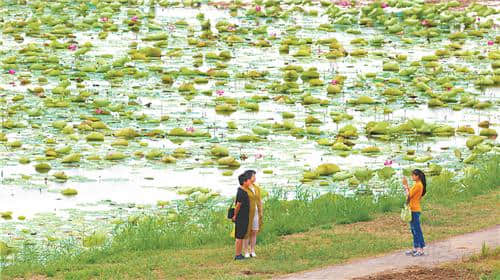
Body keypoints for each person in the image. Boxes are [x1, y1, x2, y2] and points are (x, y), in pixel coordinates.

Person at [402, 169, 427, 257]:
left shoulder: (418, 185)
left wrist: (405, 186)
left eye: (413, 175)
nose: (412, 177)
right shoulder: (417, 185)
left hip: (414, 209)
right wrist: (407, 186)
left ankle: (421, 249)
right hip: (412, 209)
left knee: (417, 230)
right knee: (413, 230)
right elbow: (410, 194)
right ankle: (416, 248)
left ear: (418, 176)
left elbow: (408, 196)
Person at [232, 173, 253, 260]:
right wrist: (235, 215)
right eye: (248, 180)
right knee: (239, 236)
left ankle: (239, 253)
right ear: (244, 182)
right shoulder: (241, 192)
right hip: (241, 217)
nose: (250, 182)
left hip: (244, 216)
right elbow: (238, 205)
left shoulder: (243, 191)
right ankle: (238, 255)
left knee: (241, 235)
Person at [242, 170, 263, 258]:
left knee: (254, 231)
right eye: (253, 176)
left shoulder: (256, 188)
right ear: (249, 177)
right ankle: (246, 251)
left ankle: (252, 250)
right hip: (247, 213)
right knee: (247, 232)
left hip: (256, 212)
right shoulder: (244, 188)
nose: (255, 178)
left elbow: (259, 200)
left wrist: (261, 211)